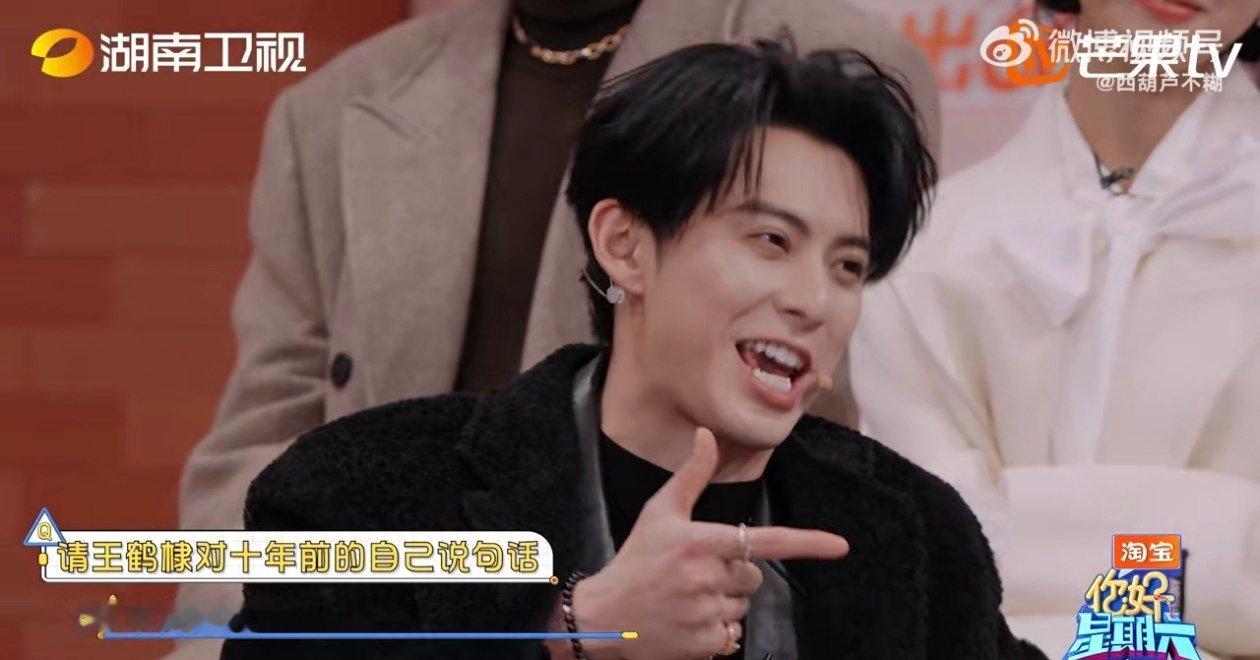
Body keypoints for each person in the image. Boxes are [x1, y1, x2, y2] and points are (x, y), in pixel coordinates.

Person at [220, 41, 1042, 660]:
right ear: (625, 246)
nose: (812, 299)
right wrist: (575, 635)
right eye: (771, 240)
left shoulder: (915, 532)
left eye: (847, 267)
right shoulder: (363, 495)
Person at [849, 1, 1260, 657]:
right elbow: (935, 561)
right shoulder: (921, 255)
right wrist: (1214, 546)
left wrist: (1018, 525)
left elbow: (976, 544)